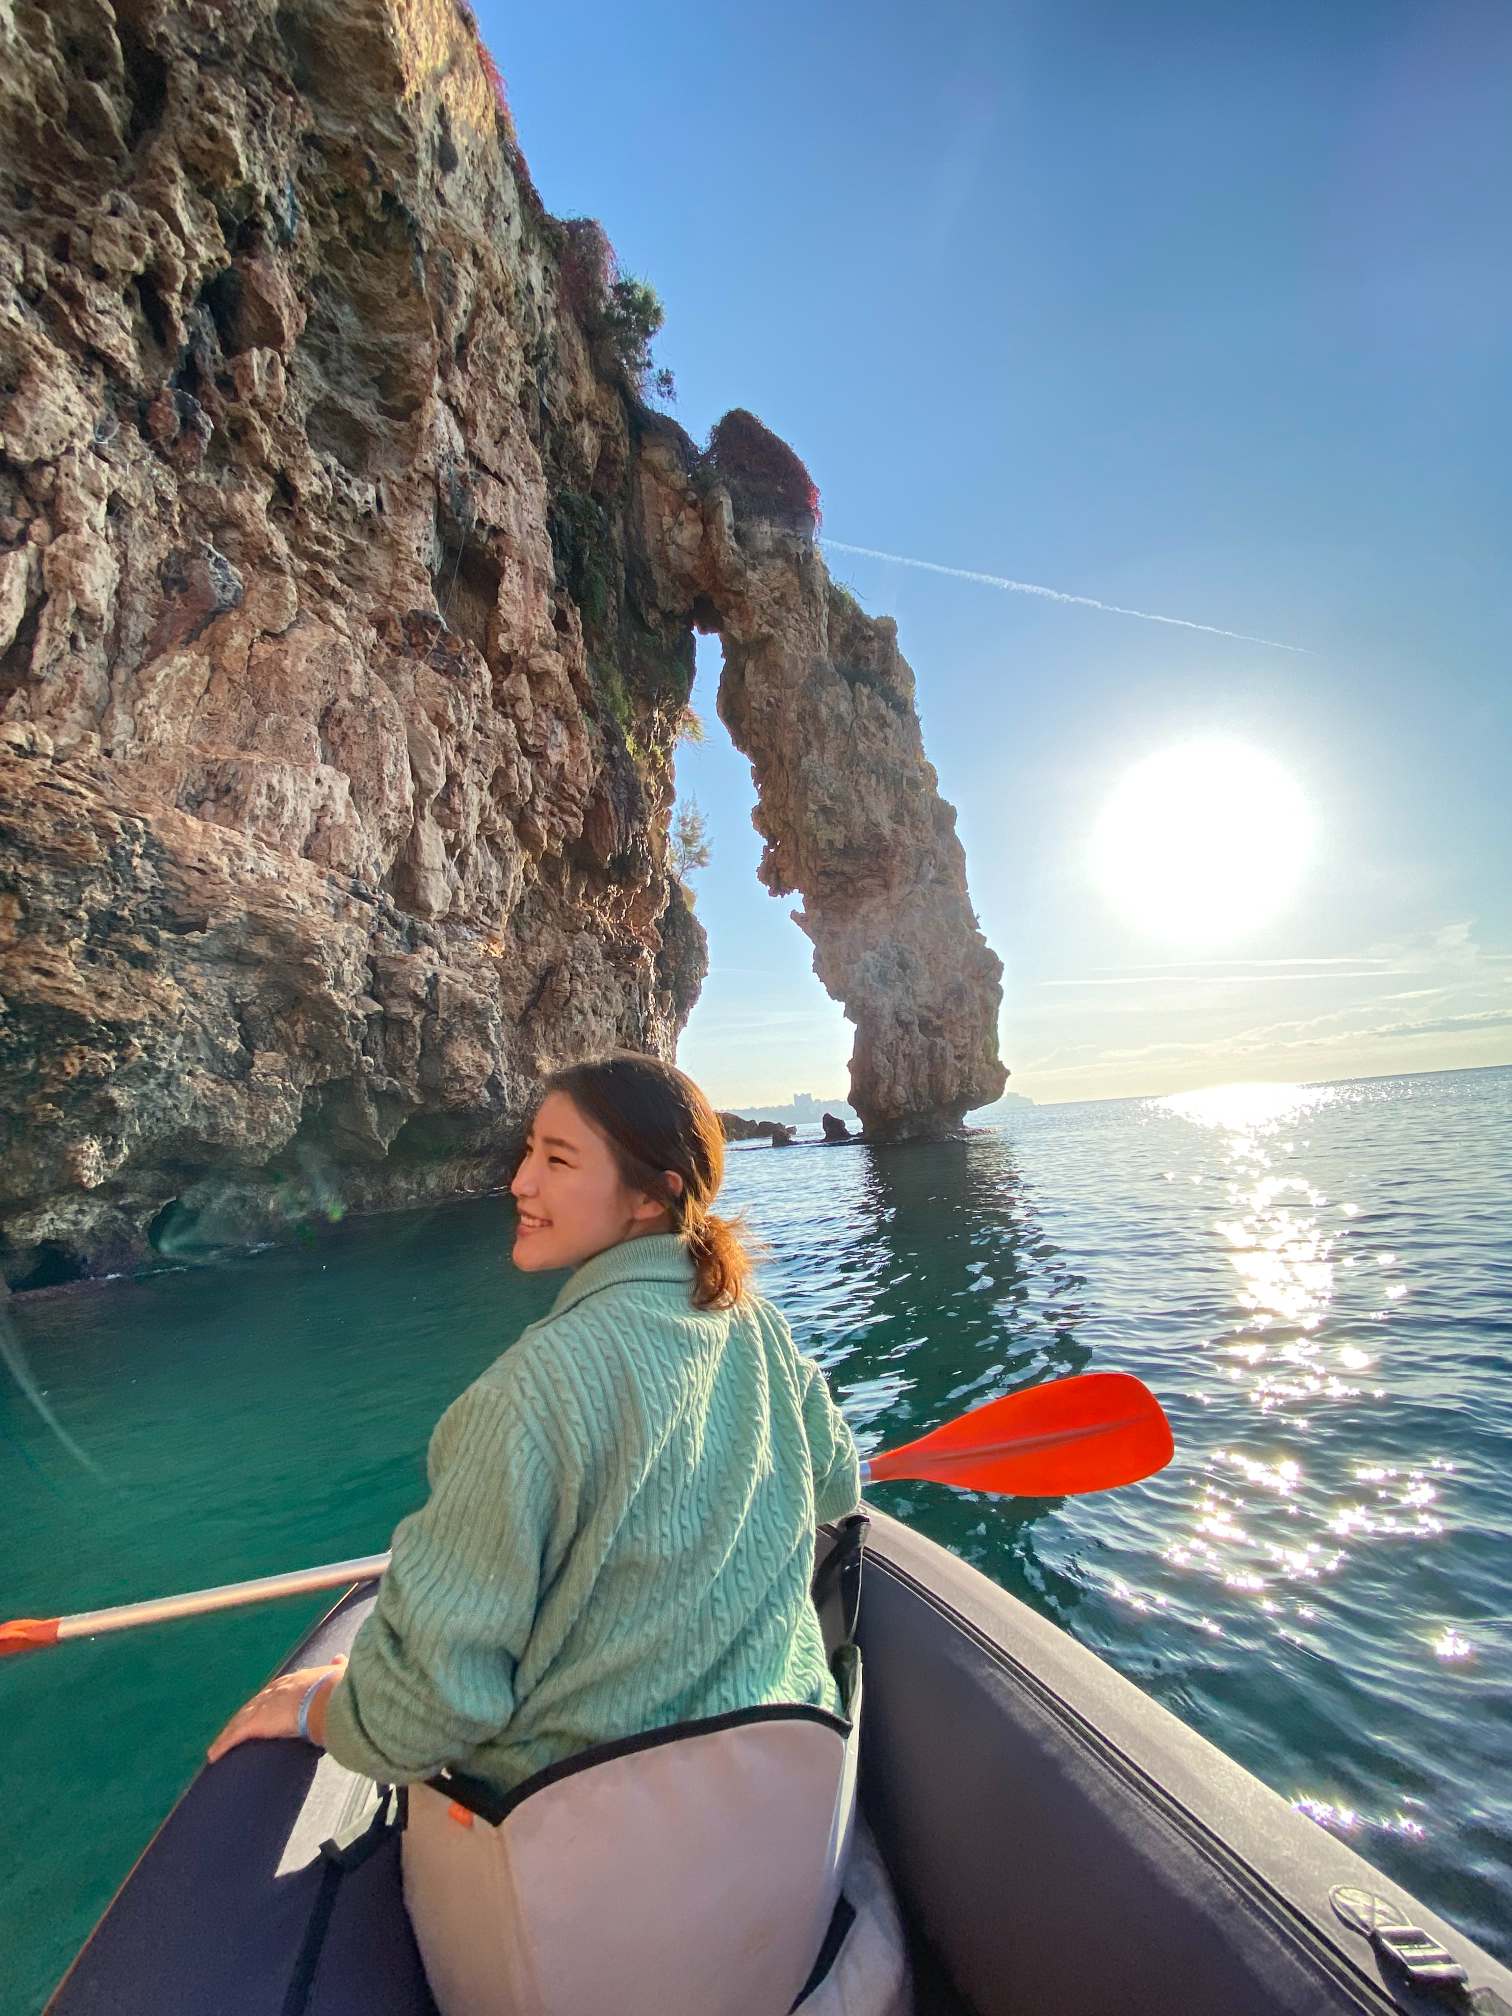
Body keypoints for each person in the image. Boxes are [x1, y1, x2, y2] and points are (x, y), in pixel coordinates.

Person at [209, 1051, 865, 2014]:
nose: (518, 1181)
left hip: (580, 1878)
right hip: (781, 1835)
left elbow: (420, 1719)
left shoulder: (525, 1396)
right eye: (528, 1152)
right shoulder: (755, 1323)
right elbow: (836, 1483)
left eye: (558, 1160)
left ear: (652, 1195)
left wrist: (317, 1709)